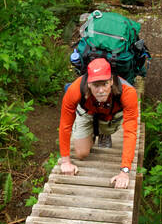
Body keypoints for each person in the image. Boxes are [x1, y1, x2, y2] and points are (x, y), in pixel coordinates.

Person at [58, 58, 139, 189]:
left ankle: (103, 132)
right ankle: (92, 134)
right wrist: (65, 161)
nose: (101, 90)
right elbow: (65, 124)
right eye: (96, 85)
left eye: (105, 84)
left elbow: (130, 132)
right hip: (87, 113)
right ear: (88, 84)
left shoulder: (128, 93)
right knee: (81, 153)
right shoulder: (75, 89)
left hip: (111, 114)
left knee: (106, 128)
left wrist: (124, 171)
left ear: (111, 81)